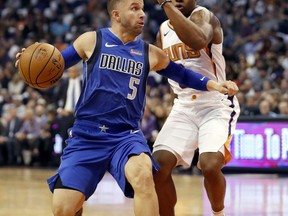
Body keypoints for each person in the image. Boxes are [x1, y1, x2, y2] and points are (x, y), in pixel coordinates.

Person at [15, 0, 238, 215]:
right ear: (116, 15)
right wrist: (29, 64)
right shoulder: (91, 40)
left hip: (125, 136)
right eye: (134, 8)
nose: (142, 13)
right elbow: (56, 64)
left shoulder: (149, 52)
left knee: (144, 175)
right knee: (63, 209)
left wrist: (213, 84)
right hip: (87, 135)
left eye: (142, 8)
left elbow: (182, 74)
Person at [152, 1, 240, 216]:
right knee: (157, 168)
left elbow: (198, 41)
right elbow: (162, 67)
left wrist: (166, 5)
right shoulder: (163, 31)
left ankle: (218, 213)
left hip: (215, 103)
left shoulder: (205, 17)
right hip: (183, 105)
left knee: (209, 165)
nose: (177, 0)